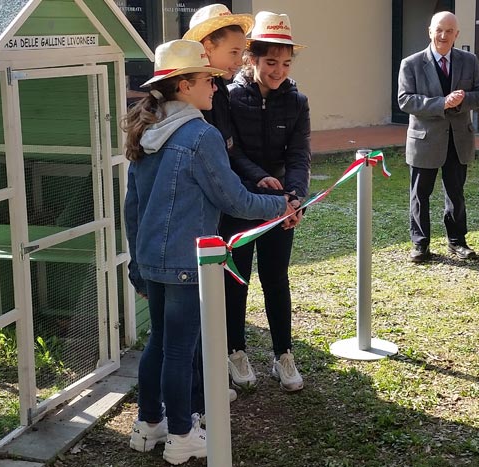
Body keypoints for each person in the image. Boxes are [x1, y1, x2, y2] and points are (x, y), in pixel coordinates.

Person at [124, 39, 295, 465]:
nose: (216, 88)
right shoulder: (201, 134)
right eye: (208, 80)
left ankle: (148, 426)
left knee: (159, 343)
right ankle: (182, 434)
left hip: (152, 259)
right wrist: (282, 205)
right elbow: (234, 200)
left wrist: (138, 263)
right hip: (186, 262)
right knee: (181, 349)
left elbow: (132, 207)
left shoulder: (149, 130)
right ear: (183, 85)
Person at [221, 11, 311, 392]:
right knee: (235, 278)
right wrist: (257, 177)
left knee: (276, 277)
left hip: (279, 204)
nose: (279, 71)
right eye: (271, 61)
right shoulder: (226, 97)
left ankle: (283, 355)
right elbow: (229, 149)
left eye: (286, 63)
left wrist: (294, 197)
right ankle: (235, 351)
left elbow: (299, 154)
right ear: (251, 58)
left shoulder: (297, 100)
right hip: (238, 200)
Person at [182, 2, 254, 414]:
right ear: (206, 46)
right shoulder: (191, 98)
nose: (240, 61)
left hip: (219, 210)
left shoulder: (219, 92)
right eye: (234, 52)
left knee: (215, 300)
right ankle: (195, 398)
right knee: (193, 312)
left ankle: (208, 381)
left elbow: (230, 149)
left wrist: (256, 178)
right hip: (197, 219)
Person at [398, 11, 479, 263]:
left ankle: (457, 242)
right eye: (439, 30)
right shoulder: (411, 63)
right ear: (430, 31)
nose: (443, 35)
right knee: (420, 194)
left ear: (457, 34)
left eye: (449, 31)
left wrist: (462, 101)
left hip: (458, 140)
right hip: (425, 139)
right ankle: (420, 244)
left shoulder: (469, 61)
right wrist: (442, 103)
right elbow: (405, 100)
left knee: (455, 192)